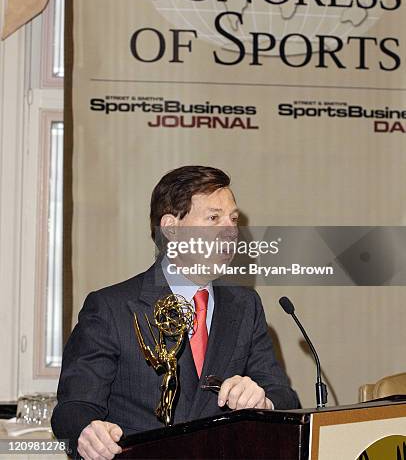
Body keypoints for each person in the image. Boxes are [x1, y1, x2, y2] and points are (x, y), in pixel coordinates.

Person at [52, 166, 299, 459]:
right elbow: (73, 408)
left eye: (233, 219)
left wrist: (264, 401)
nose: (230, 230)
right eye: (213, 217)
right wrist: (87, 432)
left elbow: (285, 397)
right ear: (171, 228)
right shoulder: (111, 308)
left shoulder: (245, 305)